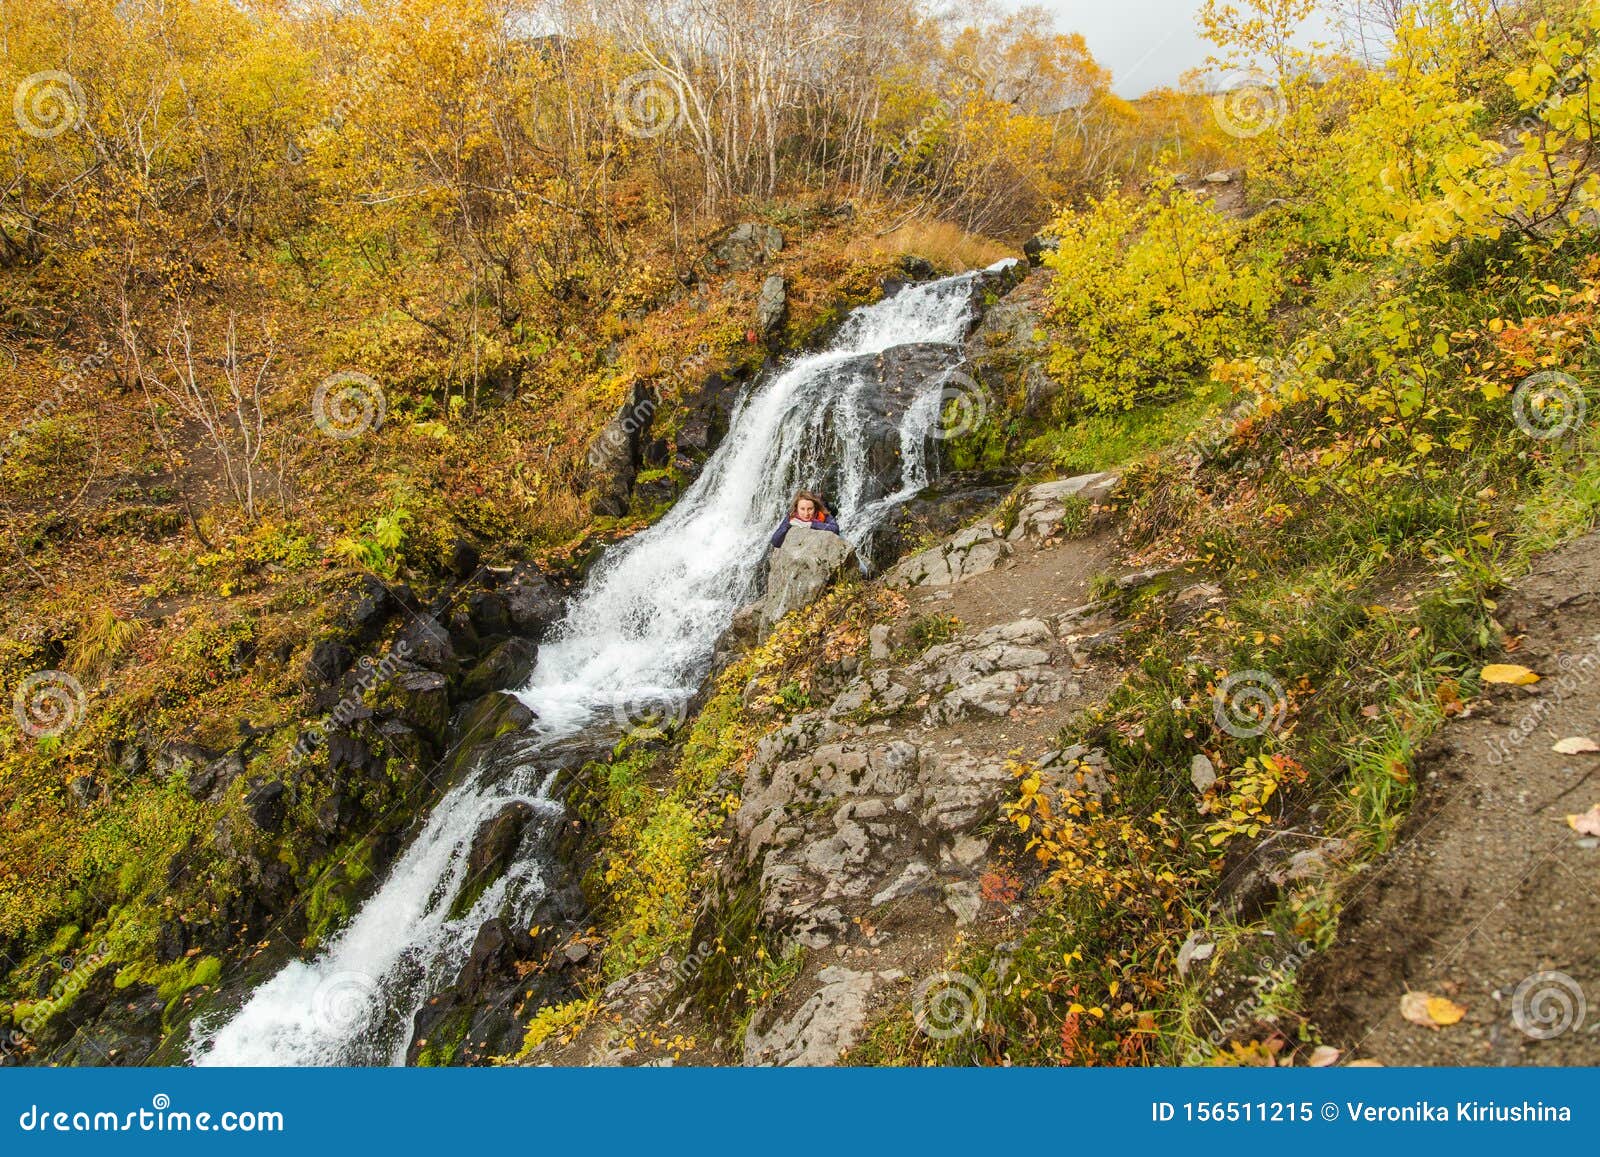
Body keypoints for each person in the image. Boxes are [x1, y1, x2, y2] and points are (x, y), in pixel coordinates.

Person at [770, 490, 839, 548]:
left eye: (810, 509)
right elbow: (775, 542)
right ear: (796, 508)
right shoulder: (792, 515)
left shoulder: (822, 511)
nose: (806, 514)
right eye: (802, 509)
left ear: (815, 508)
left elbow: (835, 529)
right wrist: (787, 525)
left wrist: (810, 524)